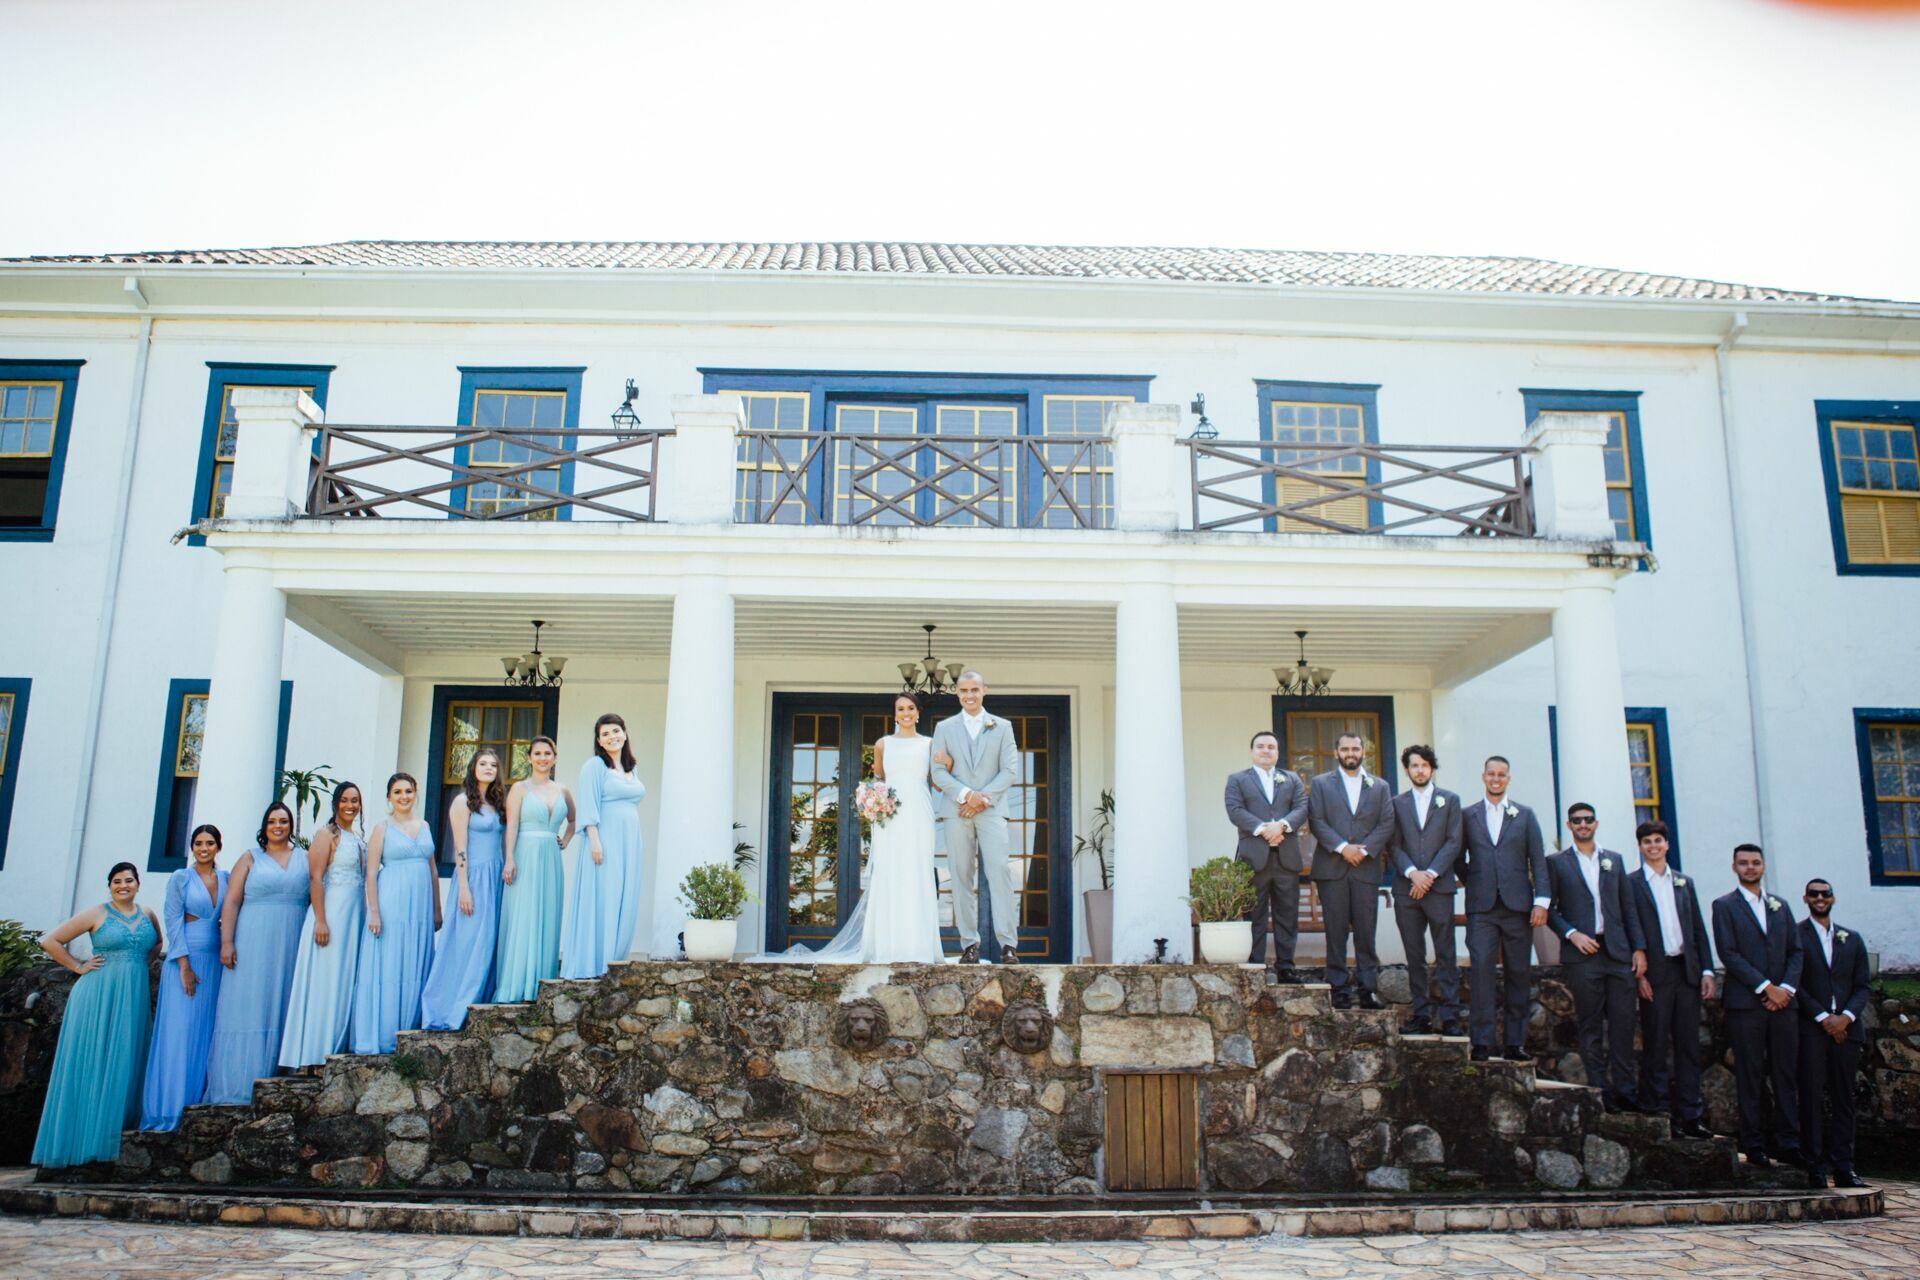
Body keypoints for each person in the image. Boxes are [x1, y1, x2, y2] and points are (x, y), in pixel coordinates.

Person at [31, 863, 161, 1167]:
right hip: (97, 995)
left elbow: (157, 944)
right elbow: (50, 941)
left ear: (138, 884)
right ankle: (84, 1139)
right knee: (93, 1061)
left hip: (133, 995)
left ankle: (116, 1129)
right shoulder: (96, 913)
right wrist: (78, 967)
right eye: (117, 881)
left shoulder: (148, 913)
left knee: (126, 1057)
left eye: (129, 880)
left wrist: (139, 965)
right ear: (110, 886)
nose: (123, 886)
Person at [204, 801, 310, 1104]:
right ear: (264, 826)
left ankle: (283, 1065)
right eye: (273, 821)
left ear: (291, 826)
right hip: (252, 938)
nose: (278, 826)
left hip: (292, 937)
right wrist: (227, 941)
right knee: (250, 1000)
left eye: (284, 821)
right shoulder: (250, 858)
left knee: (286, 995)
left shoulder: (304, 858)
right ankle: (240, 1079)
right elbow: (232, 902)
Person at [1545, 802, 1646, 1111]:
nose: (1583, 825)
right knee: (1590, 1026)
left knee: (1623, 1024)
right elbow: (1548, 908)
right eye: (1577, 821)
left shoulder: (1613, 861)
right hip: (1583, 954)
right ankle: (1601, 1093)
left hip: (1617, 953)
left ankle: (1626, 1093)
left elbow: (1628, 908)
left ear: (1596, 823)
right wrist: (1571, 934)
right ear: (1570, 825)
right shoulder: (1557, 863)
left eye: (1588, 820)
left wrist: (1638, 948)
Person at [1710, 842, 1804, 1169]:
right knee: (1749, 1075)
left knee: (1785, 1074)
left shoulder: (1781, 906)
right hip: (1746, 1004)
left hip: (1784, 1005)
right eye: (1744, 863)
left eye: (1755, 862)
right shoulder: (1724, 906)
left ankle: (1789, 1142)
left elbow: (1796, 951)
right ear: (1734, 867)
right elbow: (1729, 952)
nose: (1750, 867)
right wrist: (1765, 987)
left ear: (1763, 866)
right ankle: (1753, 1144)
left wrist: (1786, 989)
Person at [1626, 821, 1715, 1138]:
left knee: (1689, 1045)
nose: (1653, 846)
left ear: (1667, 845)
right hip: (1656, 972)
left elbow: (1698, 929)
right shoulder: (1632, 884)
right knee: (1656, 1043)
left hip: (1686, 971)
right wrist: (1640, 975)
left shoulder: (1683, 883)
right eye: (1647, 841)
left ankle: (1691, 1115)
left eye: (1658, 840)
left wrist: (1706, 969)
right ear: (1640, 847)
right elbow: (1631, 929)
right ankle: (1658, 1109)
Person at [138, 824, 229, 1131]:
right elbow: (173, 920)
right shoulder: (181, 878)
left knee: (205, 1031)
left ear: (218, 846)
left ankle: (196, 1099)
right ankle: (168, 1109)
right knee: (179, 1032)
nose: (204, 848)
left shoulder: (226, 878)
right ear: (192, 847)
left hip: (215, 962)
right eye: (199, 843)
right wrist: (184, 966)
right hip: (185, 960)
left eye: (210, 843)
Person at [1459, 755, 1549, 1062]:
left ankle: (1515, 1043)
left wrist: (1541, 901)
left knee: (1518, 973)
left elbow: (1538, 859)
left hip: (1517, 907)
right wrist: (1474, 880)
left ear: (1508, 779)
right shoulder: (1467, 815)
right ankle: (1481, 1042)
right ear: (1483, 777)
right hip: (1482, 907)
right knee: (1481, 971)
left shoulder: (1524, 815)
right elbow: (1458, 856)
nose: (1496, 779)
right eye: (1491, 774)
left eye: (1502, 775)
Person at [929, 671, 1022, 964]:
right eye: (963, 690)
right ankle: (969, 944)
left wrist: (981, 799)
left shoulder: (1003, 726)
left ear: (985, 690)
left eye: (974, 689)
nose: (969, 695)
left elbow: (1009, 770)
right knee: (960, 876)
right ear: (957, 693)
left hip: (991, 811)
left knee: (1000, 874)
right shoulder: (944, 728)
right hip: (957, 811)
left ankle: (1008, 944)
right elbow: (937, 772)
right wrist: (967, 795)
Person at [279, 783, 367, 1071]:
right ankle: (313, 1052)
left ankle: (335, 1044)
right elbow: (316, 879)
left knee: (343, 978)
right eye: (345, 800)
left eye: (355, 800)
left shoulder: (357, 837)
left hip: (354, 915)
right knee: (325, 979)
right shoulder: (326, 835)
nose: (350, 805)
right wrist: (320, 919)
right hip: (330, 914)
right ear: (335, 804)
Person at [353, 773, 441, 1053]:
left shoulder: (424, 825)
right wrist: (374, 912)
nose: (404, 796)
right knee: (391, 962)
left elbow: (433, 870)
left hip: (421, 905)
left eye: (409, 791)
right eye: (398, 792)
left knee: (416, 959)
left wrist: (437, 909)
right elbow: (370, 872)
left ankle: (411, 1026)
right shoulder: (382, 828)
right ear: (389, 797)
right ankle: (384, 1033)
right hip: (392, 900)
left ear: (416, 794)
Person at [1306, 732, 1394, 1010]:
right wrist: (1343, 848)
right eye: (1345, 748)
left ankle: (1368, 990)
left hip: (1366, 869)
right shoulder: (1321, 784)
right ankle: (1339, 989)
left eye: (1355, 748)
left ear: (1363, 752)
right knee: (1336, 931)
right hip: (1332, 868)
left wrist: (1364, 850)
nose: (1350, 753)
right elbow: (1316, 820)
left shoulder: (1379, 786)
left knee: (1367, 931)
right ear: (1336, 753)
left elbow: (1386, 822)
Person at [421, 747, 507, 1030]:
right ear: (473, 768)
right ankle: (450, 1009)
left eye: (493, 765)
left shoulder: (498, 804)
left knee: (490, 941)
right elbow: (459, 848)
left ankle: (479, 1002)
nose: (488, 768)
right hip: (473, 878)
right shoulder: (462, 802)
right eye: (483, 764)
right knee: (469, 942)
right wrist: (464, 887)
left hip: (496, 877)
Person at [1796, 878, 1870, 1190]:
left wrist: (1846, 1019)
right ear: (1806, 898)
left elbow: (1862, 984)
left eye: (1825, 894)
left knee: (1844, 1099)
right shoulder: (1796, 936)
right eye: (1814, 894)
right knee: (1811, 1097)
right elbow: (1795, 983)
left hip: (1847, 1031)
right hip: (1814, 1029)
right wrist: (1825, 1017)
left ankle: (1844, 1167)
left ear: (1833, 898)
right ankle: (1814, 1166)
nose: (1820, 898)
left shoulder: (1851, 939)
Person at [561, 714, 647, 979]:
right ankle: (593, 963)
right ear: (598, 740)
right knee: (604, 896)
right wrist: (594, 839)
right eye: (606, 734)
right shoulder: (595, 766)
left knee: (625, 896)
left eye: (616, 731)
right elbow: (588, 803)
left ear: (625, 732)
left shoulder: (633, 769)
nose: (612, 737)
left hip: (630, 841)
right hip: (604, 838)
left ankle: (615, 959)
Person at [1388, 744, 1464, 1035]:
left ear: (1432, 768)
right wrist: (1412, 874)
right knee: (1414, 953)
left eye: (1424, 765)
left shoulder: (1450, 801)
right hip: (1406, 889)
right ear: (1407, 769)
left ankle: (1450, 1016)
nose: (1419, 770)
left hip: (1439, 887)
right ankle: (1420, 1014)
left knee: (1446, 951)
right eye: (1414, 765)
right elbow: (1393, 844)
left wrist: (1429, 875)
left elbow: (1454, 841)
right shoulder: (1397, 803)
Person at [1224, 730, 1309, 980]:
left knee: (1287, 915)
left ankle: (1286, 967)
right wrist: (1265, 829)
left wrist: (1281, 826)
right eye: (1260, 746)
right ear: (1252, 751)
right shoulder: (1237, 779)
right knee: (1255, 915)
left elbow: (1302, 808)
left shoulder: (1291, 779)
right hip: (1254, 859)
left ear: (1277, 752)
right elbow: (1235, 810)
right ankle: (1256, 966)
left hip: (1286, 858)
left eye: (1271, 747)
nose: (1266, 751)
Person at [495, 736, 574, 1002]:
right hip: (525, 854)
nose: (542, 758)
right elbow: (512, 825)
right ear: (529, 758)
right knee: (525, 914)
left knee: (547, 913)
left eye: (547, 753)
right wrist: (509, 858)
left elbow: (574, 820)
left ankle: (541, 983)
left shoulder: (563, 790)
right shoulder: (519, 788)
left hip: (551, 857)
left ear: (555, 757)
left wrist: (566, 838)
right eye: (537, 753)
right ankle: (516, 985)